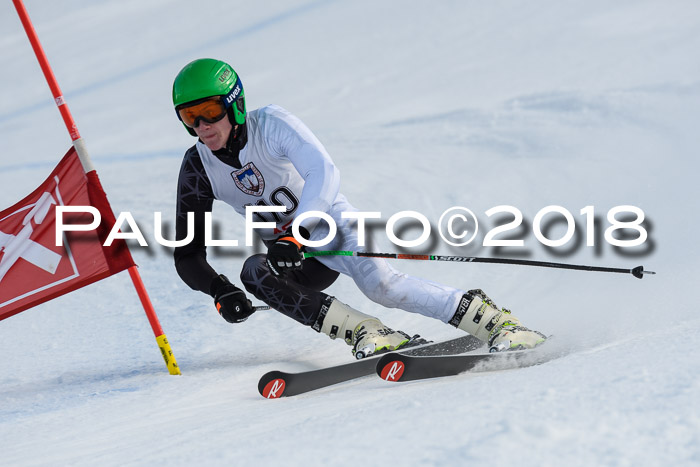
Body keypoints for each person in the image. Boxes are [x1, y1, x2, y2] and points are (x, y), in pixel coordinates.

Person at [172, 58, 546, 358]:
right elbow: (188, 254)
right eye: (190, 117)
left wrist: (299, 232)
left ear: (235, 105)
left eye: (209, 110)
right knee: (254, 272)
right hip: (295, 258)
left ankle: (497, 323)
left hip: (332, 228)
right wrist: (220, 291)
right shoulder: (198, 167)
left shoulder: (271, 124)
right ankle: (367, 332)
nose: (202, 126)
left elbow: (323, 171)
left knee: (383, 286)